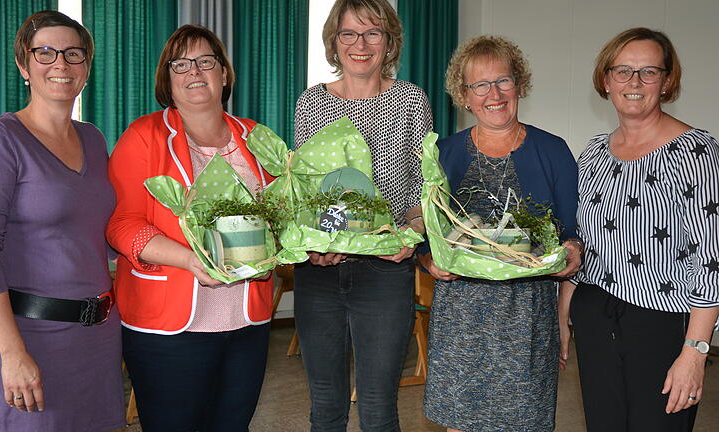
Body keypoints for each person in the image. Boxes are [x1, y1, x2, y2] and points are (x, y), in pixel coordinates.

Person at [0, 10, 124, 431]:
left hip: (99, 337)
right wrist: (11, 353)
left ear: (87, 67)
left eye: (73, 53)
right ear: (23, 65)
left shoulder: (93, 137)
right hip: (31, 339)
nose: (60, 64)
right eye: (45, 52)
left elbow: (98, 236)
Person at [105, 25, 275, 431]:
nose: (193, 71)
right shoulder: (143, 137)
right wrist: (189, 258)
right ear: (167, 79)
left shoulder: (256, 137)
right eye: (179, 64)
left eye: (205, 61)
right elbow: (121, 225)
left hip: (247, 320)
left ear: (224, 73)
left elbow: (278, 215)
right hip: (168, 327)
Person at [417, 35, 583, 432]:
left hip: (527, 318)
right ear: (465, 95)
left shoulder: (553, 150)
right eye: (480, 85)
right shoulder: (445, 154)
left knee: (524, 422)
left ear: (519, 85)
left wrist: (571, 260)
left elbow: (574, 232)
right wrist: (428, 261)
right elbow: (429, 237)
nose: (494, 94)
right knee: (460, 421)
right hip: (460, 318)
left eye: (503, 81)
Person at [564, 27, 719, 432]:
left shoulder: (697, 152)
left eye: (649, 72)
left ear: (667, 82)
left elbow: (712, 260)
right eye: (623, 71)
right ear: (605, 79)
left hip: (662, 324)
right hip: (594, 314)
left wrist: (695, 352)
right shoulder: (592, 154)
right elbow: (580, 244)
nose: (634, 83)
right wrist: (562, 316)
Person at [292, 0, 432, 430]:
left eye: (373, 32)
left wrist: (409, 237)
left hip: (385, 275)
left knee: (378, 407)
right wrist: (315, 245)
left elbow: (424, 194)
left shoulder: (410, 100)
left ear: (389, 41)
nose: (360, 44)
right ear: (334, 40)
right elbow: (305, 192)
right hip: (319, 276)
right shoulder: (312, 102)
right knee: (326, 406)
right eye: (349, 33)